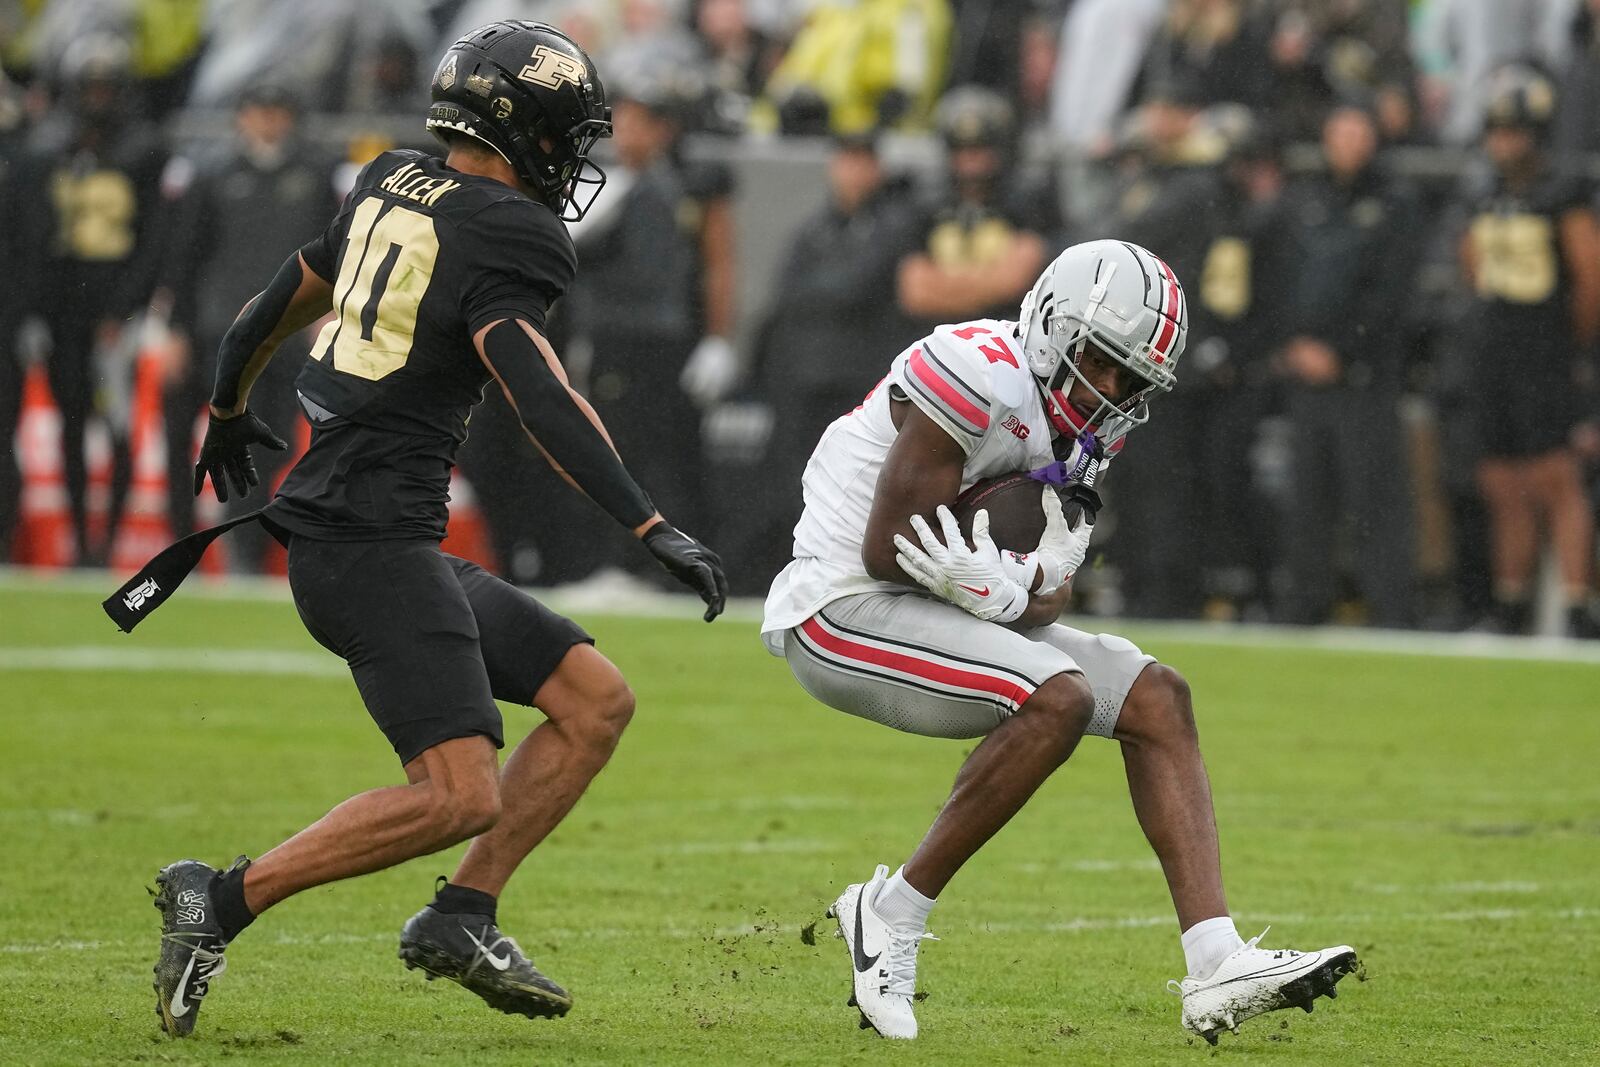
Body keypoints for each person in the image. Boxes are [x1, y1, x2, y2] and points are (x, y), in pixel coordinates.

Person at [128, 21, 728, 1038]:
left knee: (592, 700)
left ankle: (462, 913)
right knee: (457, 794)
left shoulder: (388, 180)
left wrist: (229, 402)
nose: (574, 156)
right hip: (366, 549)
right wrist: (648, 517)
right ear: (526, 129)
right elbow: (538, 392)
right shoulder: (512, 230)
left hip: (370, 534)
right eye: (565, 134)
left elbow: (271, 303)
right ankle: (218, 899)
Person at [760, 239, 1358, 1042]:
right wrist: (990, 588)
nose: (1111, 389)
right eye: (1100, 363)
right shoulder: (974, 370)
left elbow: (1051, 589)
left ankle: (1216, 961)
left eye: (1131, 377)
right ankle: (890, 911)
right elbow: (886, 544)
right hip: (838, 607)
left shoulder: (1093, 424)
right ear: (1050, 325)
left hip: (927, 604)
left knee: (1157, 696)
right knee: (1057, 697)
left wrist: (1023, 588)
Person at [8, 35, 170, 564]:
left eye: (107, 86)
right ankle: (81, 539)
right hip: (62, 310)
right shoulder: (47, 151)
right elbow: (31, 239)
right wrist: (34, 309)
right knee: (72, 421)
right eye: (90, 86)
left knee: (117, 426)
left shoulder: (144, 148)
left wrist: (126, 309)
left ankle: (107, 539)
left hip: (113, 311)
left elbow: (153, 240)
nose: (98, 97)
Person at [162, 85, 339, 567]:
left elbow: (334, 252)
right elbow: (184, 257)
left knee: (270, 442)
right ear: (241, 116)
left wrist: (325, 310)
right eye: (260, 111)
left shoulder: (315, 174)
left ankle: (245, 545)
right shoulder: (211, 174)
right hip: (218, 328)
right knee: (199, 435)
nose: (268, 120)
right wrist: (176, 328)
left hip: (284, 331)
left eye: (278, 110)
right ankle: (194, 547)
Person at [1456, 64, 1600, 636]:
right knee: (1501, 480)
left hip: (1545, 350)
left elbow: (1589, 278)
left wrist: (1567, 343)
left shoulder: (1563, 192)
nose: (1502, 142)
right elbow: (1472, 268)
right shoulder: (1482, 189)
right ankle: (1510, 602)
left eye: (1513, 131)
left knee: (1555, 477)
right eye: (1496, 131)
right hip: (1495, 351)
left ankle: (1576, 604)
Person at [1276, 102, 1423, 627]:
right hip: (1306, 374)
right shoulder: (1306, 201)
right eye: (1338, 130)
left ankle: (1392, 611)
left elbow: (1392, 294)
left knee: (1376, 499)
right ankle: (1304, 606)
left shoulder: (1395, 204)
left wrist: (1342, 351)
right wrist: (1293, 343)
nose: (1348, 142)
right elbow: (1282, 278)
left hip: (1364, 377)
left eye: (1358, 131)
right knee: (1308, 497)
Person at [896, 86, 1051, 331]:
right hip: (937, 340)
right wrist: (984, 284)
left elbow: (1013, 281)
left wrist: (945, 284)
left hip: (1006, 335)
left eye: (980, 149)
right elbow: (915, 293)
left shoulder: (1026, 202)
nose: (971, 162)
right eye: (961, 149)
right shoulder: (927, 206)